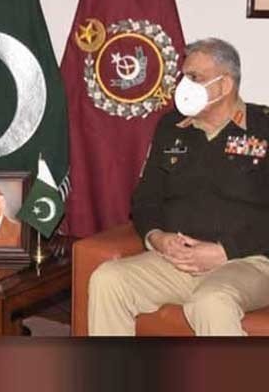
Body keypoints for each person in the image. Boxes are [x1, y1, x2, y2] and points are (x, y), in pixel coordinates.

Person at [88, 38, 269, 336]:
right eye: (184, 76)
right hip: (177, 261)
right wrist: (157, 237)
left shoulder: (263, 128)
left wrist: (226, 251)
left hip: (248, 261)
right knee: (108, 279)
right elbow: (145, 199)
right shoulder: (171, 127)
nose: (184, 85)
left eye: (195, 77)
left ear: (225, 85)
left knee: (211, 302)